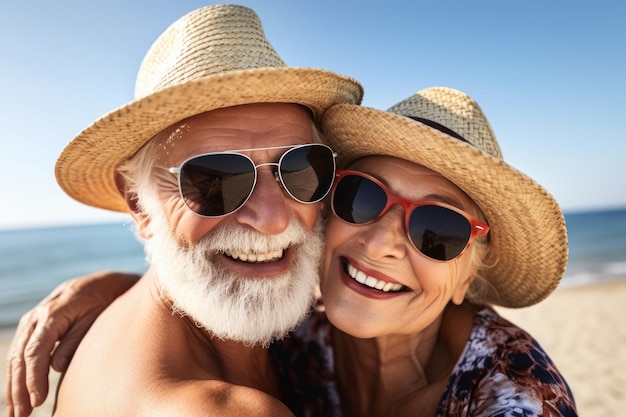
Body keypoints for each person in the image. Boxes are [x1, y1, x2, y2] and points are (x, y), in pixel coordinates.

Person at [6, 85, 578, 417]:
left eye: (439, 230)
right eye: (360, 196)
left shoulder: (516, 399)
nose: (381, 242)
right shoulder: (292, 312)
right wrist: (118, 283)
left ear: (469, 273)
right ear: (328, 209)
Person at [4, 3, 363, 417]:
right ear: (138, 203)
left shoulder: (148, 317)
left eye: (301, 170)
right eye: (216, 180)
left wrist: (113, 284)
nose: (274, 218)